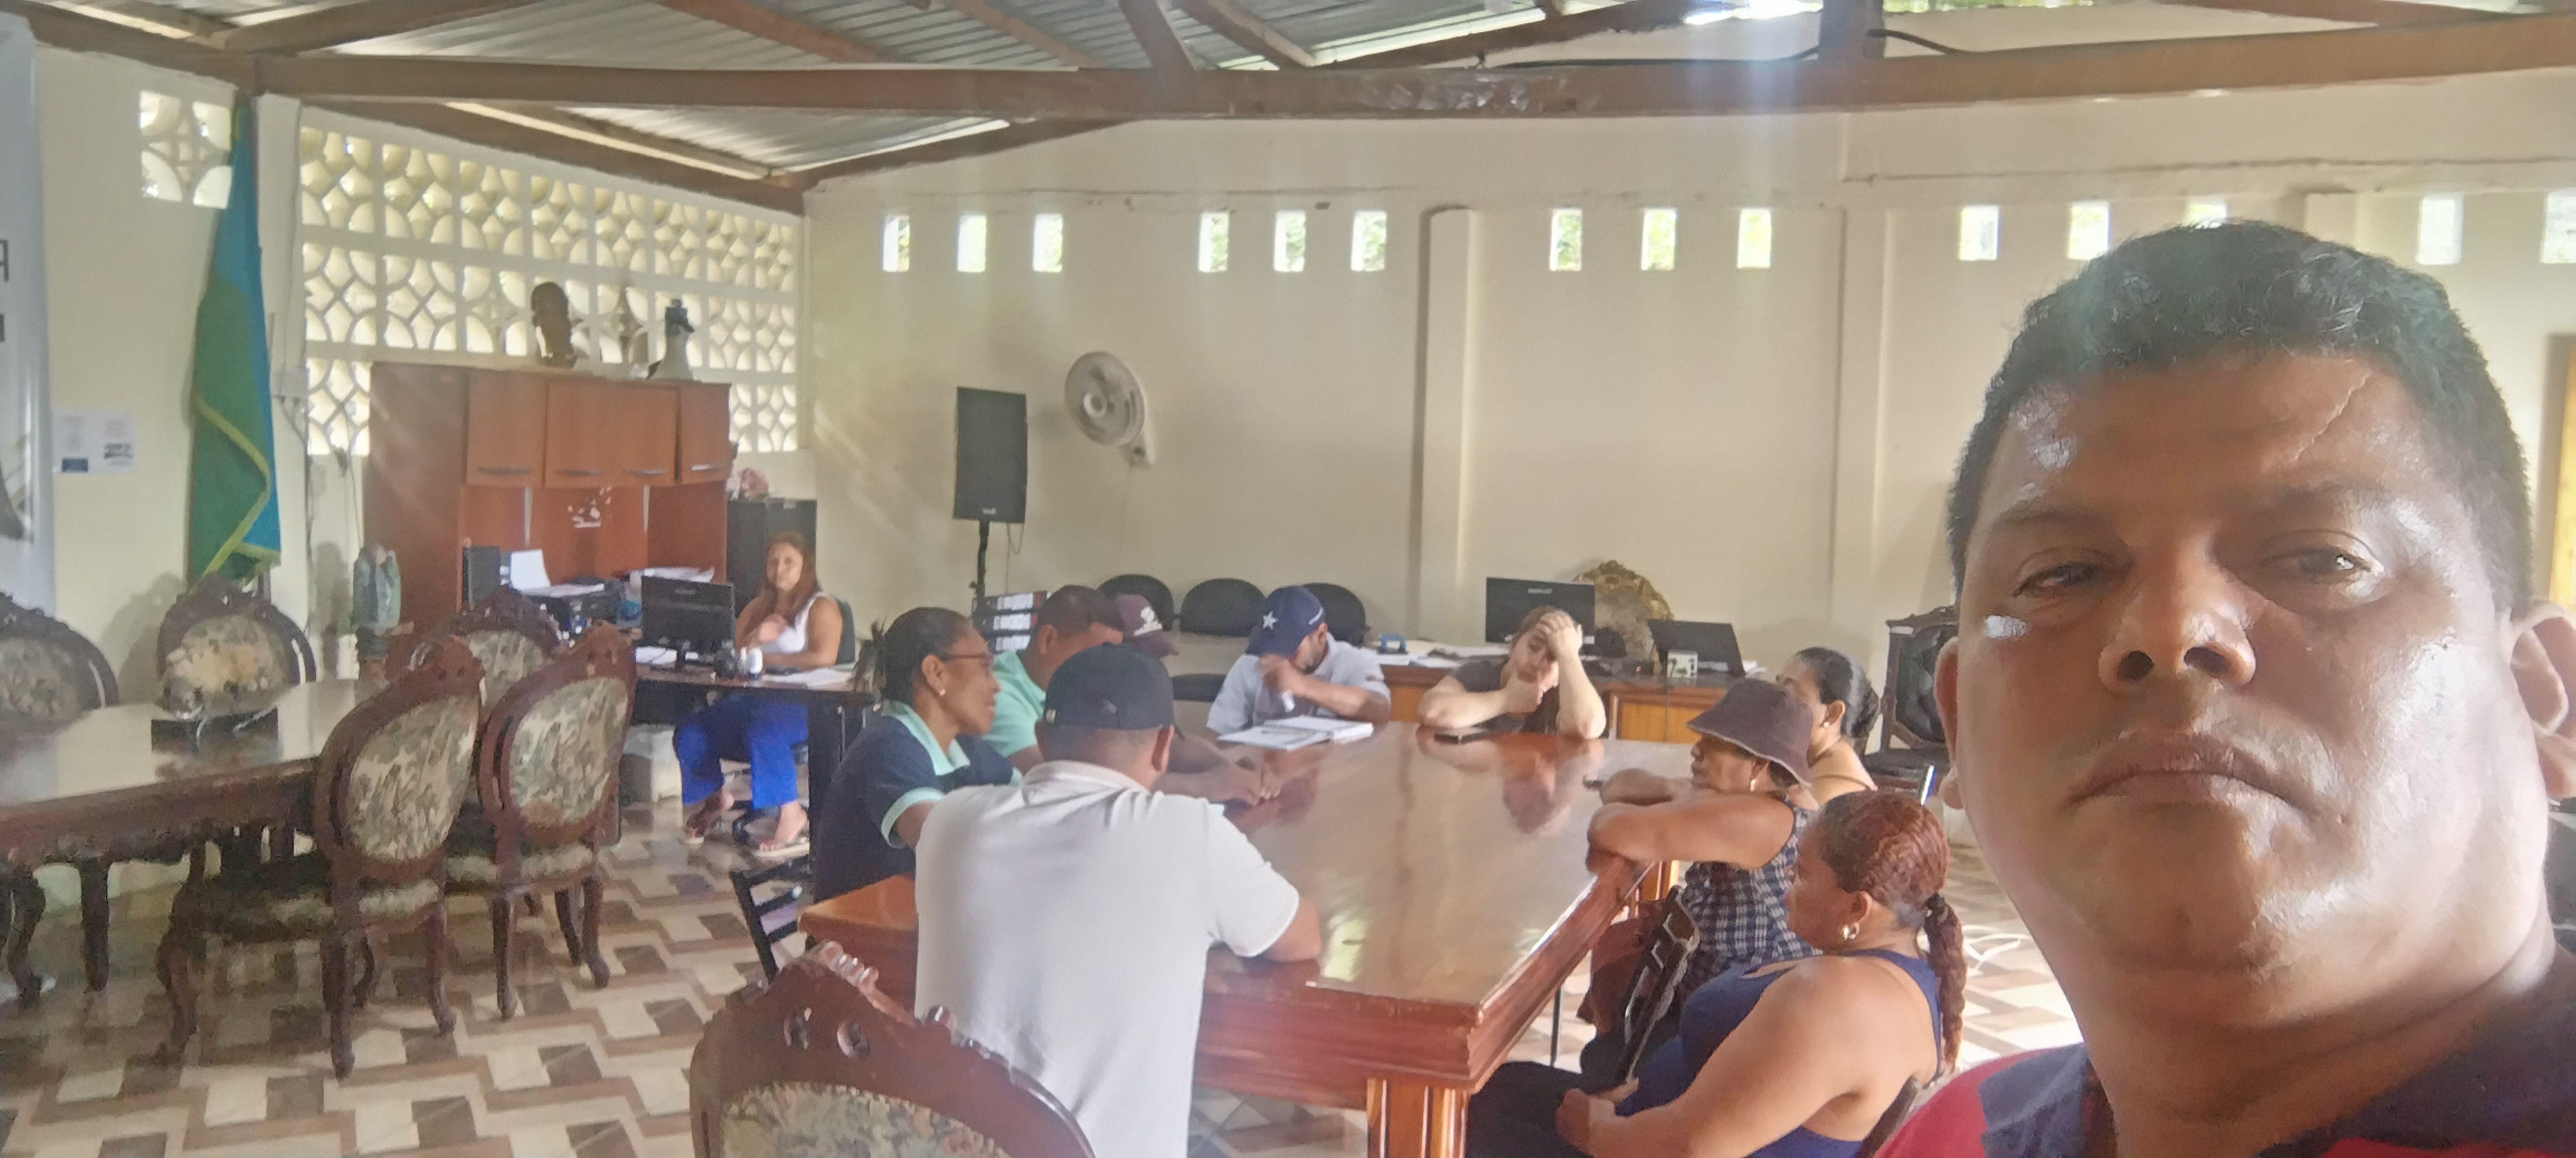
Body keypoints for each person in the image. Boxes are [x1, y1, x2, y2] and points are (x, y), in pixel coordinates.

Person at [1879, 224, 2576, 1157]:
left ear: (2541, 693)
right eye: (2062, 574)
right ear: (1958, 719)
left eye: (2319, 558)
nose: (2170, 629)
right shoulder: (1952, 1134)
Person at [914, 644, 1325, 1158]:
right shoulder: (1189, 834)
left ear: (1042, 739)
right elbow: (1301, 938)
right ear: (1163, 746)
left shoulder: (949, 821)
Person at [1469, 791, 1964, 1158]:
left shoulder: (1837, 1002)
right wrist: (1637, 1098)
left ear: (1857, 908)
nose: (1787, 889)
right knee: (1500, 1089)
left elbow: (1689, 1148)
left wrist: (1595, 1131)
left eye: (1802, 876)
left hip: (1645, 1148)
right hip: (1645, 1122)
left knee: (1464, 1126)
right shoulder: (1900, 975)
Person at [1579, 678, 1823, 1081]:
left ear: (1758, 766)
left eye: (1713, 745)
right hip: (1717, 1011)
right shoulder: (1761, 804)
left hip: (1736, 1039)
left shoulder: (1759, 819)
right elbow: (1616, 787)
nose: (1696, 751)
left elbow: (1608, 827)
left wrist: (1688, 800)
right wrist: (1680, 791)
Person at [811, 606, 1014, 901]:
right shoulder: (890, 746)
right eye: (985, 667)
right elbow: (945, 848)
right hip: (864, 927)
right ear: (936, 673)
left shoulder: (960, 746)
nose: (996, 685)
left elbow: (1031, 797)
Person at [677, 533, 845, 856]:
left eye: (789, 562)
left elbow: (824, 656)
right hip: (753, 701)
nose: (779, 569)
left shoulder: (821, 606)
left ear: (805, 566)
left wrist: (769, 658)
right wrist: (757, 637)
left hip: (802, 706)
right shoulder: (757, 607)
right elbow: (736, 654)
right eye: (773, 561)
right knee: (693, 729)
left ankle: (792, 813)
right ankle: (716, 798)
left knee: (764, 731)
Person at [1207, 585, 1392, 735]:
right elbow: (1218, 735)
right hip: (1265, 765)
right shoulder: (1251, 663)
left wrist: (1303, 686)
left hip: (1333, 766)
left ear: (1321, 635)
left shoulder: (1353, 661)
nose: (1278, 656)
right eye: (1270, 645)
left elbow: (1380, 709)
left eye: (1289, 648)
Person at [1419, 605, 1608, 738]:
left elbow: (1587, 726)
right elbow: (1431, 712)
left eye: (1553, 657)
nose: (1537, 662)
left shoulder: (1571, 690)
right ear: (1513, 646)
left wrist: (1568, 654)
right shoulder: (1480, 673)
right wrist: (1506, 700)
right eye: (1533, 647)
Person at [1773, 647, 1880, 801]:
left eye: (1788, 692)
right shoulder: (1805, 766)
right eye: (1777, 687)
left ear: (1832, 714)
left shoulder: (1839, 794)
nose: (1774, 702)